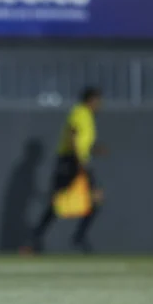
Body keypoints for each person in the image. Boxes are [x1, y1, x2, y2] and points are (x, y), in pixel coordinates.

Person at [27, 86, 105, 254]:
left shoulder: (88, 117)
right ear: (91, 100)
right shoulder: (80, 112)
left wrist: (95, 149)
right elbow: (73, 135)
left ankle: (77, 236)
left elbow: (83, 143)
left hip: (78, 161)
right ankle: (35, 239)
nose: (100, 105)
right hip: (71, 162)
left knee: (95, 199)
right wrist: (78, 162)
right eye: (98, 101)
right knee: (59, 202)